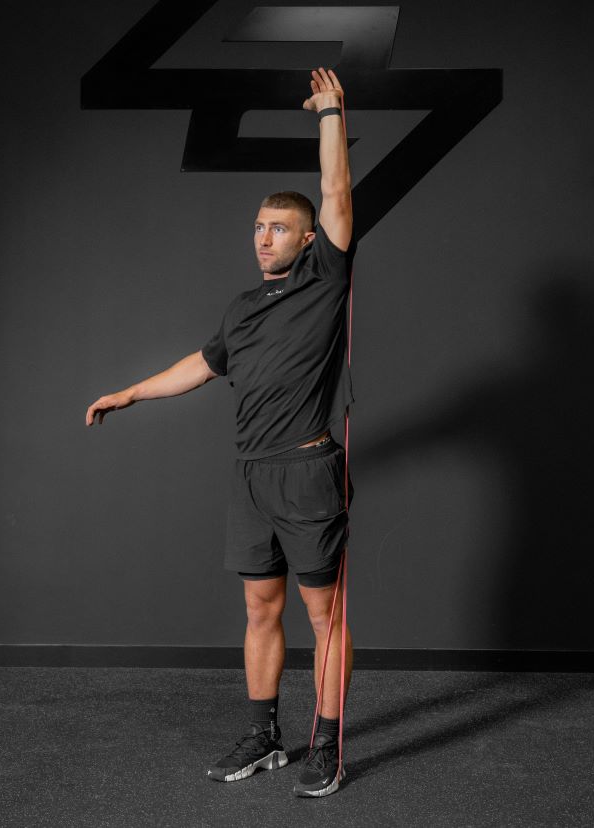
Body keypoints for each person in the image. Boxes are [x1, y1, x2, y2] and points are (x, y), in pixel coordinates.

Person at [85, 67, 357, 797]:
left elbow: (335, 194)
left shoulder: (324, 280)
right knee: (258, 607)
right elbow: (201, 367)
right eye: (259, 227)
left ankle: (326, 744)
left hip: (304, 469)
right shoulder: (242, 308)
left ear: (306, 241)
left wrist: (330, 113)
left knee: (322, 614)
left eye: (278, 229)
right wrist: (132, 392)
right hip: (249, 474)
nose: (264, 238)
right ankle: (266, 735)